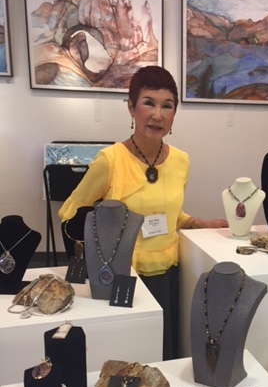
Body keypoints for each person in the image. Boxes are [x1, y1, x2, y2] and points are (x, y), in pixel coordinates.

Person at [59, 65, 227, 360]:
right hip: (125, 276)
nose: (157, 115)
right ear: (131, 107)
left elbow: (171, 215)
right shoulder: (110, 160)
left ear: (174, 114)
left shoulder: (181, 161)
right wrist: (101, 246)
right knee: (131, 355)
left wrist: (200, 223)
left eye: (167, 106)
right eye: (149, 103)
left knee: (165, 354)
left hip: (170, 275)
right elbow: (70, 213)